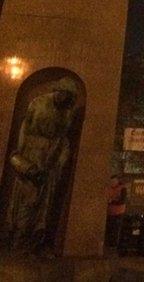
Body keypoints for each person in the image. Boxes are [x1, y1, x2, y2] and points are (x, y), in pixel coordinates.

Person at [6, 78, 80, 253]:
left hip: (50, 157)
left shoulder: (67, 112)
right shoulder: (38, 103)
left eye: (68, 96)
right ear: (58, 91)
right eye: (63, 93)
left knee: (42, 202)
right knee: (26, 198)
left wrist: (60, 158)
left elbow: (63, 138)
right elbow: (26, 126)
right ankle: (16, 239)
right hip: (31, 153)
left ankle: (31, 240)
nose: (64, 98)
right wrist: (20, 151)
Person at [105, 175, 127, 248]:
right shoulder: (109, 188)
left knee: (115, 229)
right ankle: (108, 243)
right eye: (111, 181)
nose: (112, 183)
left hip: (118, 212)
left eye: (114, 181)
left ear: (117, 181)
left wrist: (111, 201)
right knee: (109, 228)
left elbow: (122, 200)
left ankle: (113, 245)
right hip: (109, 212)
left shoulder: (122, 189)